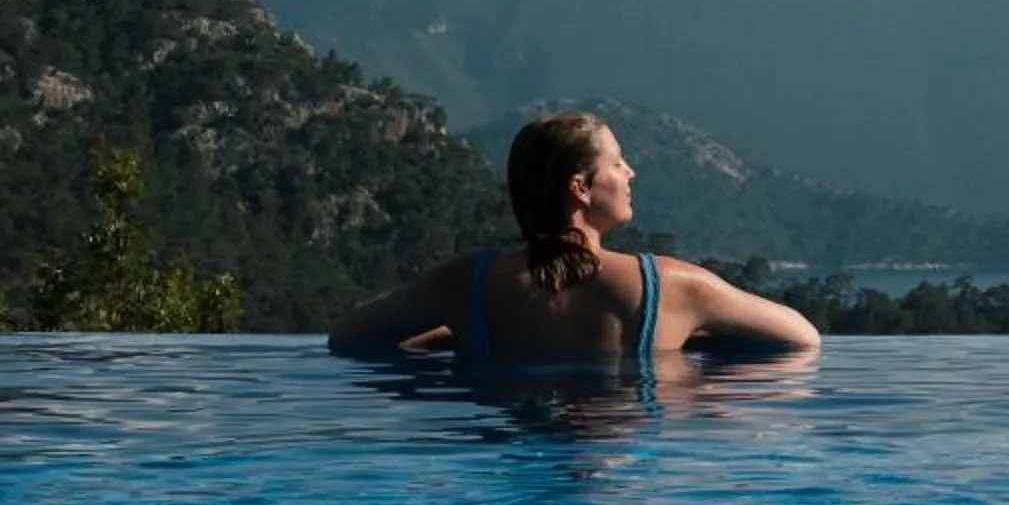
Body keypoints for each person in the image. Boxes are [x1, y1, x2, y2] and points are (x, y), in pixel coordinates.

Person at [327, 111, 821, 364]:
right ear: (581, 188)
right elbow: (802, 339)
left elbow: (347, 338)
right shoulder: (670, 287)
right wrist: (697, 338)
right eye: (617, 162)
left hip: (510, 469)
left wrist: (447, 338)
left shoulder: (467, 284)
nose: (631, 172)